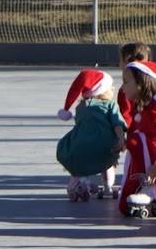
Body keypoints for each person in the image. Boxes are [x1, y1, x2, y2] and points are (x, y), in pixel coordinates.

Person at [54, 69, 127, 202]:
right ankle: (108, 187)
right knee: (108, 164)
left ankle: (81, 182)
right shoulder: (110, 105)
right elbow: (117, 124)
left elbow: (81, 126)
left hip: (80, 144)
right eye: (111, 87)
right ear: (101, 91)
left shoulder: (81, 107)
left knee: (79, 163)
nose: (113, 90)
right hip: (104, 145)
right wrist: (121, 139)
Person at [117, 59, 156, 218]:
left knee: (136, 141)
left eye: (126, 82)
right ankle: (146, 187)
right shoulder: (145, 106)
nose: (122, 87)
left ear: (141, 83)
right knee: (135, 140)